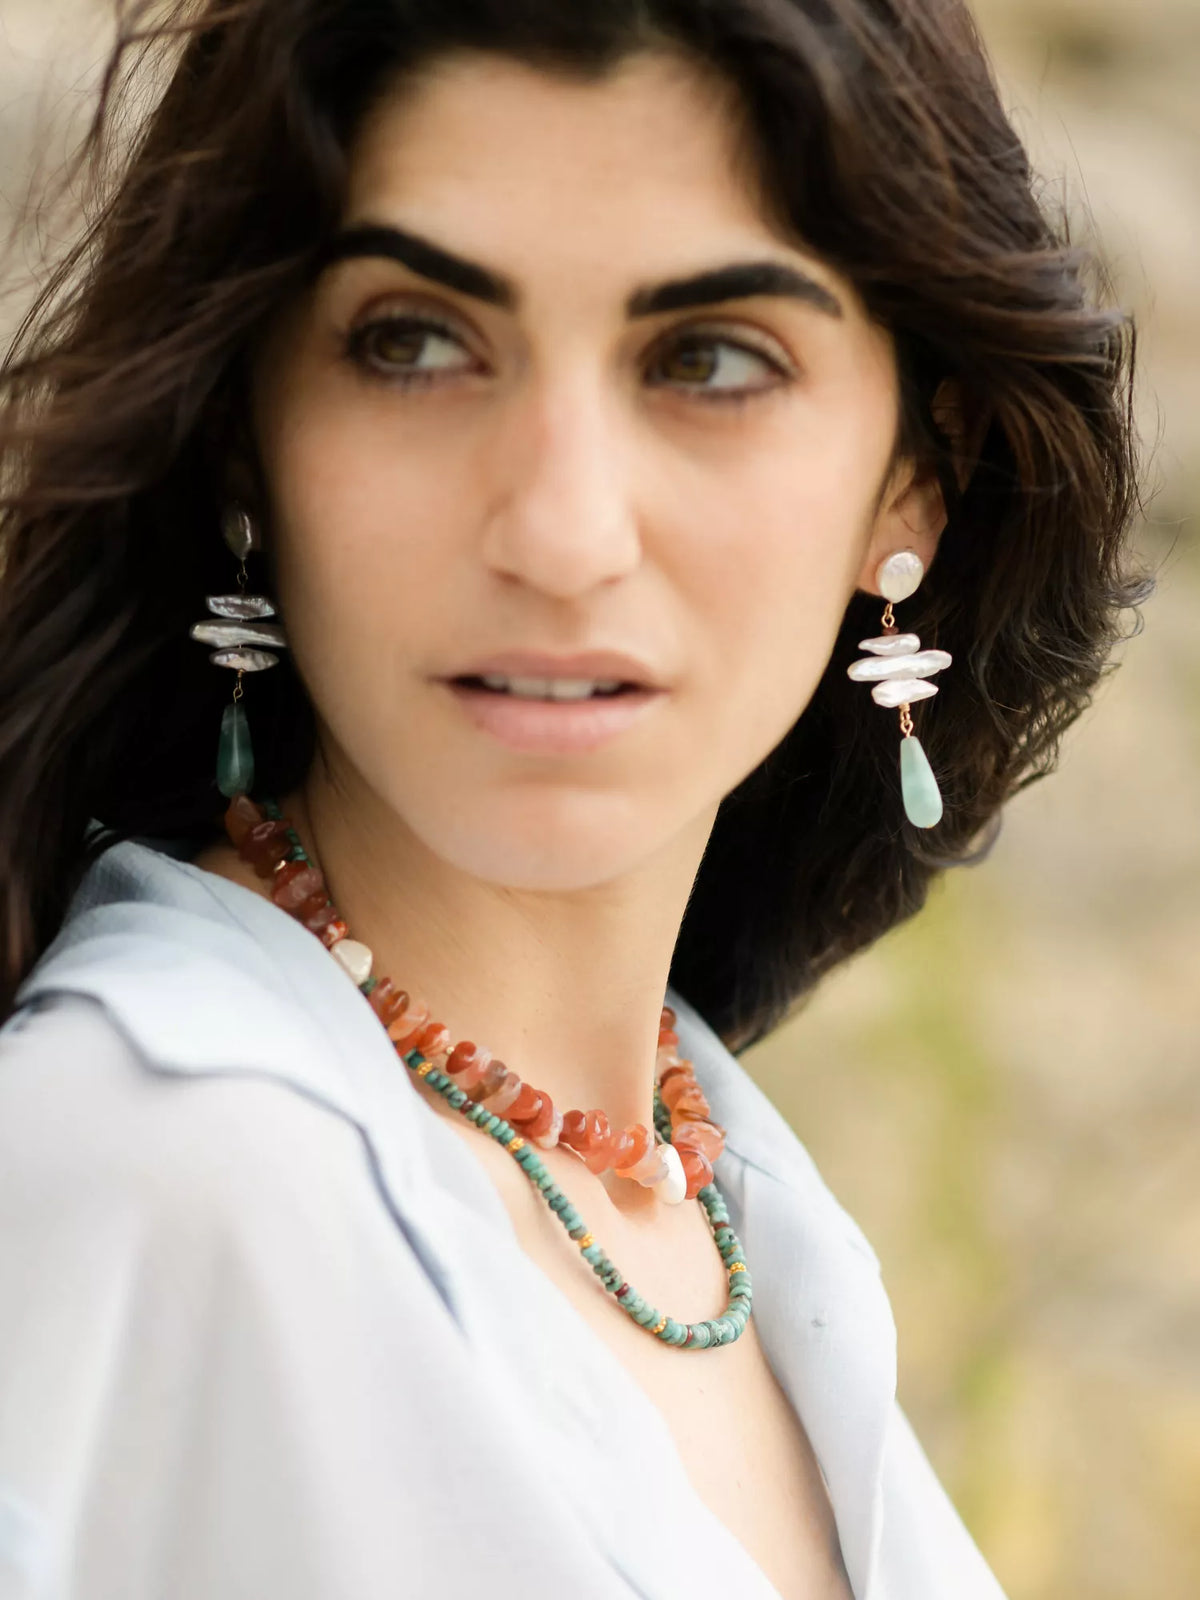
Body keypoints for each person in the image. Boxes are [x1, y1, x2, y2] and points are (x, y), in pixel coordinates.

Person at [0, 2, 1148, 1597]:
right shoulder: (137, 1162)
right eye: (412, 342)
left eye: (711, 360)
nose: (560, 527)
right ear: (246, 443)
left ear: (913, 481)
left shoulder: (720, 1204)